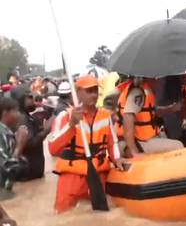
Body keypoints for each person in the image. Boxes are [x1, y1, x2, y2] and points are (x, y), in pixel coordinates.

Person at [47, 75, 127, 213]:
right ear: (77, 93)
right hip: (72, 176)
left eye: (96, 90)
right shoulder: (65, 116)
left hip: (98, 174)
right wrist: (71, 125)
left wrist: (117, 159)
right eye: (89, 91)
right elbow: (53, 148)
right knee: (63, 216)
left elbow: (112, 143)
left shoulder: (105, 116)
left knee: (100, 217)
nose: (94, 95)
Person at [119, 77, 184, 156]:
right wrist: (133, 151)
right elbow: (128, 118)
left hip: (148, 138)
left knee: (164, 136)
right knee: (178, 146)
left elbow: (153, 112)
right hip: (139, 142)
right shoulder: (138, 92)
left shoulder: (146, 89)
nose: (161, 82)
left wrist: (171, 108)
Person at [10, 85, 51, 181]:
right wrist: (46, 131)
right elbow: (29, 144)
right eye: (29, 97)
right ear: (20, 100)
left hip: (32, 172)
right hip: (27, 174)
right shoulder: (21, 118)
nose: (33, 99)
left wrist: (43, 129)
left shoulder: (26, 115)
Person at [0, 97, 28, 193]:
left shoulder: (7, 132)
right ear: (5, 113)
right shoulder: (1, 134)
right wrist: (19, 145)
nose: (19, 115)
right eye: (15, 111)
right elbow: (8, 167)